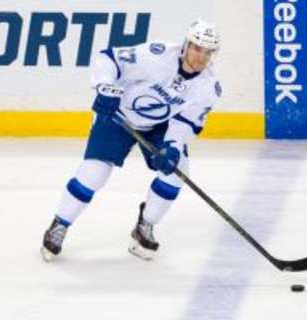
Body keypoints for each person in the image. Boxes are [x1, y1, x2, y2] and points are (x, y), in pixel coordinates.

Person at [41, 19, 222, 262]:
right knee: (94, 174)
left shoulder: (208, 87)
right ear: (186, 45)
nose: (201, 57)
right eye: (197, 48)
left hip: (158, 126)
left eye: (208, 52)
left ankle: (144, 226)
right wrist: (105, 87)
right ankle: (59, 225)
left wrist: (173, 147)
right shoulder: (157, 56)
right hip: (117, 116)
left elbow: (186, 123)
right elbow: (109, 58)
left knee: (176, 172)